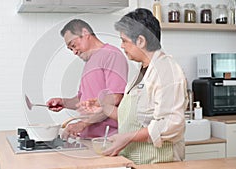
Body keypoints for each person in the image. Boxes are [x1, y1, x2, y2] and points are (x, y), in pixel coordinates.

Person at [78, 8, 188, 164]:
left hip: (158, 162)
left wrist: (128, 138)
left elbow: (170, 124)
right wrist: (104, 107)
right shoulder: (142, 71)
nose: (121, 46)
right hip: (137, 161)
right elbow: (132, 117)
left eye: (124, 40)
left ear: (141, 41)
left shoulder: (166, 71)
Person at [46, 19, 128, 139]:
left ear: (85, 33)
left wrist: (83, 124)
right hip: (88, 138)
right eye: (70, 49)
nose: (74, 52)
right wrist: (63, 102)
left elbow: (115, 98)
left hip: (107, 138)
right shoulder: (89, 62)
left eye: (73, 45)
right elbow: (82, 101)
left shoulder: (111, 55)